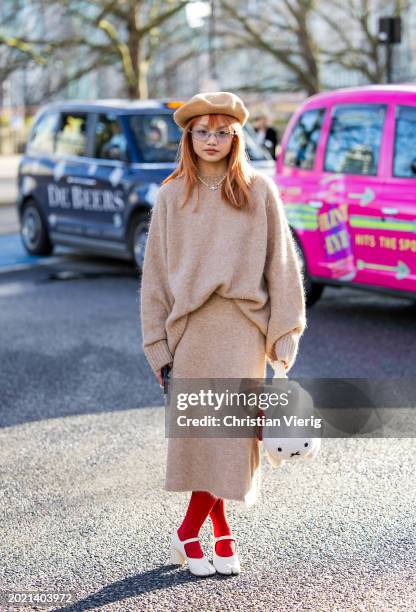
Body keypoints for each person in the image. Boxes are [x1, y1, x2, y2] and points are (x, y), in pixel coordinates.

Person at [140, 91, 306, 577]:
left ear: (236, 137)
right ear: (187, 136)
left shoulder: (260, 191)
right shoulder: (171, 196)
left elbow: (281, 266)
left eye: (221, 131)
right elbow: (155, 278)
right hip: (190, 333)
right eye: (201, 131)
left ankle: (190, 531)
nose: (211, 140)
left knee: (231, 438)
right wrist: (157, 345)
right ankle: (214, 532)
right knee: (201, 438)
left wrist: (286, 331)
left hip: (243, 332)